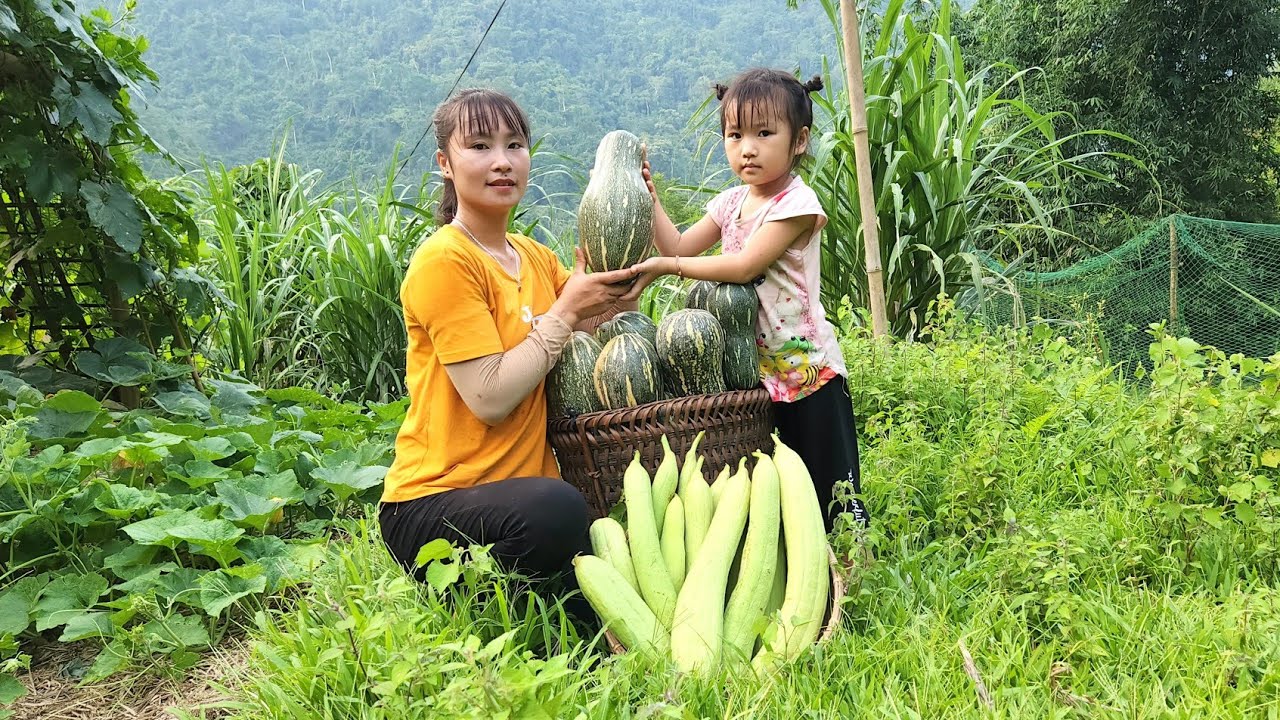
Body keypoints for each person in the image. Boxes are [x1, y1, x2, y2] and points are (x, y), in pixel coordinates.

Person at [378, 88, 635, 596]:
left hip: (520, 497)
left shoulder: (534, 255)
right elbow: (489, 398)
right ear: (445, 163)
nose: (502, 162)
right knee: (558, 508)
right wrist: (564, 311)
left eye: (515, 145)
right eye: (479, 146)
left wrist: (631, 239)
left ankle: (548, 604)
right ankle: (482, 599)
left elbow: (598, 327)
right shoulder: (445, 261)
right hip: (437, 503)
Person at [624, 68, 869, 533]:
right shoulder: (731, 203)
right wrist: (651, 198)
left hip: (807, 372)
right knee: (780, 487)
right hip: (753, 374)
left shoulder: (796, 204)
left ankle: (856, 565)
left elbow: (741, 267)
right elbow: (677, 245)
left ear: (799, 141)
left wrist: (665, 270)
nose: (747, 148)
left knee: (832, 485)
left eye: (763, 133)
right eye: (734, 135)